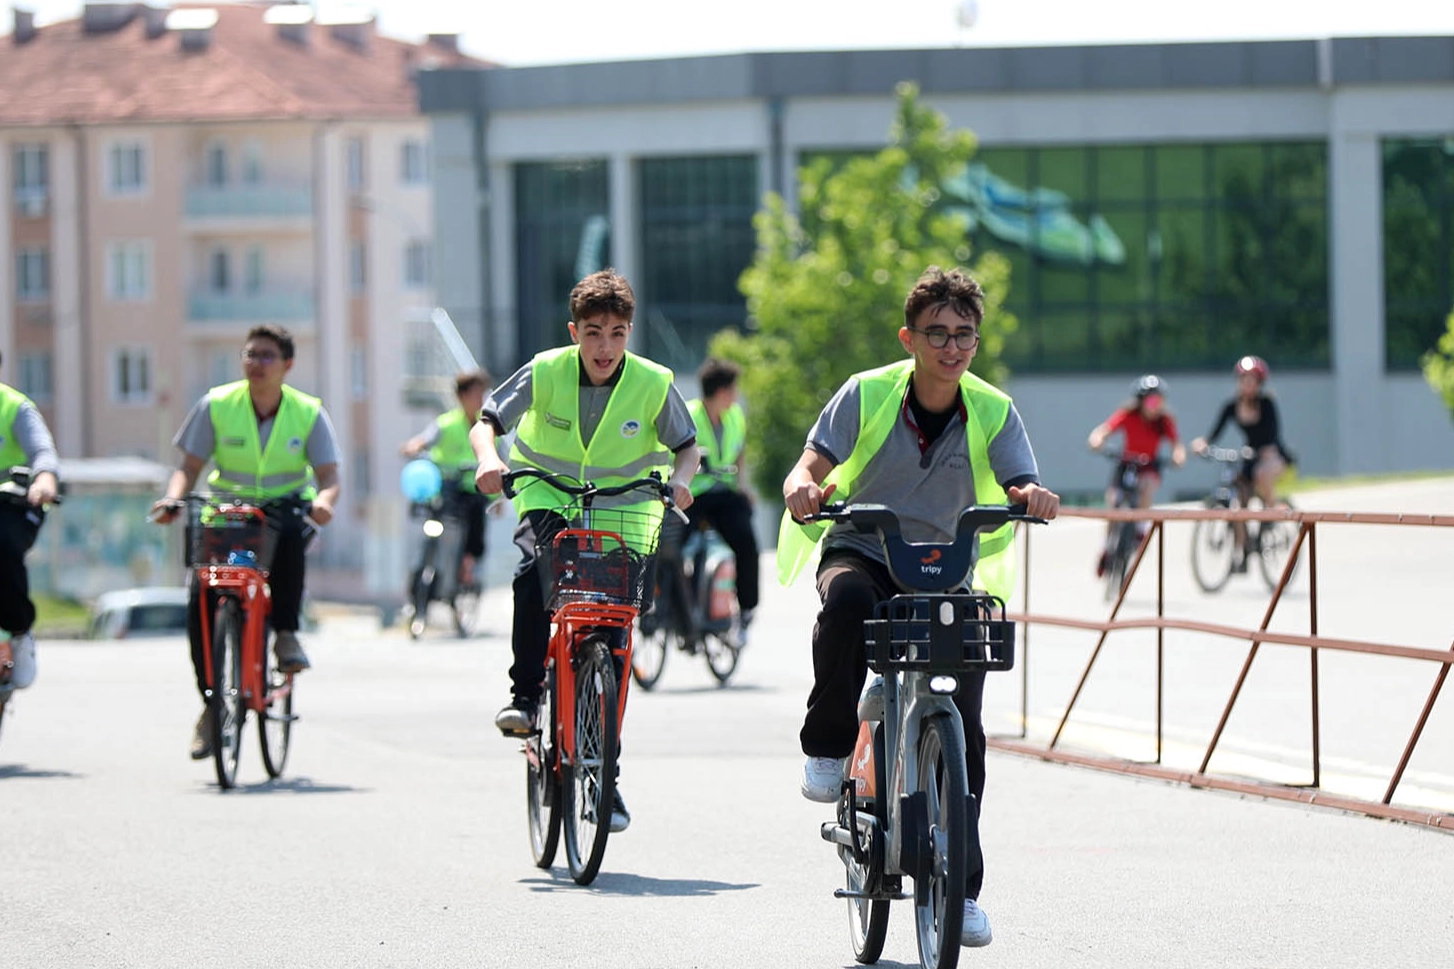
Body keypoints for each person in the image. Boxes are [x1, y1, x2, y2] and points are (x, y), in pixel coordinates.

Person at [779, 266, 1058, 949]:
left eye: (964, 333)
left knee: (967, 724)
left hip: (942, 565)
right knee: (844, 601)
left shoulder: (992, 408)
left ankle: (960, 892)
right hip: (868, 548)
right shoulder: (867, 393)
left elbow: (1021, 479)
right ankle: (828, 744)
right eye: (937, 333)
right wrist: (799, 484)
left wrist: (1033, 496)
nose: (952, 346)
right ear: (909, 337)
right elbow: (811, 463)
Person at [471, 269, 701, 833]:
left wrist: (682, 481)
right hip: (549, 497)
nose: (606, 347)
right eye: (594, 332)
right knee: (532, 576)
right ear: (575, 331)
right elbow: (488, 422)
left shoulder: (652, 381)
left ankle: (607, 778)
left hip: (623, 511)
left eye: (618, 333)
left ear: (629, 333)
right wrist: (488, 460)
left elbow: (687, 446)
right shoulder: (546, 369)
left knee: (615, 641)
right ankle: (525, 699)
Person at [150, 325, 340, 760]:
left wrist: (325, 502)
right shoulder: (217, 404)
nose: (256, 363)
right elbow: (189, 466)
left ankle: (286, 635)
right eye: (250, 354)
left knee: (292, 533)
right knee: (203, 590)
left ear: (288, 365)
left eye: (267, 356)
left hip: (283, 510)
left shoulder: (308, 412)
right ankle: (213, 704)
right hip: (226, 511)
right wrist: (173, 498)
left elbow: (329, 477)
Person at [681, 357, 760, 645]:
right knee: (670, 545)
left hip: (724, 493)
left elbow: (739, 451)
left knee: (746, 542)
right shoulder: (689, 415)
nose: (736, 396)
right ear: (722, 391)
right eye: (733, 390)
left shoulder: (735, 416)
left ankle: (747, 609)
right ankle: (674, 608)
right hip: (694, 493)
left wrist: (743, 486)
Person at [0, 351, 60, 693]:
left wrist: (45, 480)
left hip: (14, 502)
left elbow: (42, 452)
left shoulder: (15, 407)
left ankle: (19, 633)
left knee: (4, 544)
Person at [400, 369, 492, 590]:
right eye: (475, 394)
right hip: (447, 487)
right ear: (462, 397)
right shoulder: (446, 423)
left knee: (476, 515)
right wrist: (412, 447)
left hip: (473, 488)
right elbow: (424, 439)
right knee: (430, 514)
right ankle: (424, 564)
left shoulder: (489, 426)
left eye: (483, 393)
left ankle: (467, 564)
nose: (480, 399)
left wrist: (497, 497)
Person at [1086, 374, 1186, 576]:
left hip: (1149, 465)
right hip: (1126, 462)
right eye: (1150, 400)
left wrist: (1178, 457)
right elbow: (1105, 429)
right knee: (1114, 501)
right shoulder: (1128, 414)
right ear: (1141, 401)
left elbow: (1177, 445)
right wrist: (1097, 439)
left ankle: (1140, 527)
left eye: (1158, 400)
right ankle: (1107, 548)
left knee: (1148, 485)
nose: (1154, 405)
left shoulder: (1164, 421)